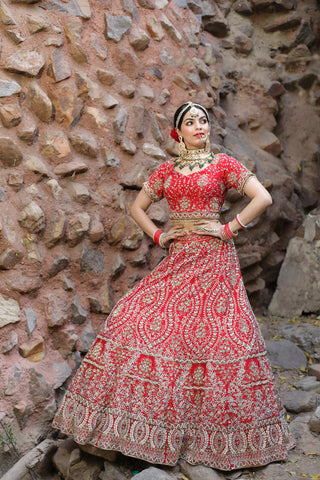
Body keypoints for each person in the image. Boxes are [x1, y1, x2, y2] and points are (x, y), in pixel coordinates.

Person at [53, 102, 295, 471]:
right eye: (191, 122)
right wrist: (160, 235)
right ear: (177, 132)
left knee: (216, 337)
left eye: (203, 120)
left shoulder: (224, 164)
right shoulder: (166, 170)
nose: (200, 126)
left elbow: (263, 197)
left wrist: (229, 229)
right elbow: (137, 208)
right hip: (179, 258)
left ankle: (217, 442)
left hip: (215, 262)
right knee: (129, 317)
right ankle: (129, 431)